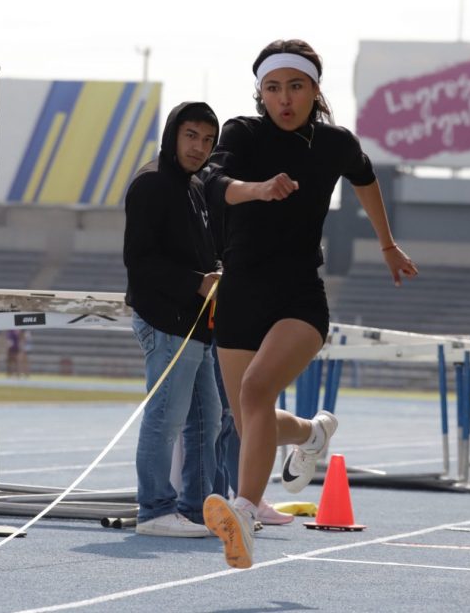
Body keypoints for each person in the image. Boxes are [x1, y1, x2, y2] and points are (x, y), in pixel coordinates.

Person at [201, 39, 418, 568]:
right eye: (273, 88)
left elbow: (365, 179)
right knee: (249, 418)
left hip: (298, 295)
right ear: (260, 92)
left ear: (315, 90)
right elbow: (211, 182)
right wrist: (257, 190)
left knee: (255, 391)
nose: (284, 98)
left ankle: (244, 513)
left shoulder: (335, 142)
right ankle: (313, 432)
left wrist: (387, 244)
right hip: (240, 291)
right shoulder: (242, 132)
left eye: (296, 87)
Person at [124, 101, 223, 538]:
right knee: (165, 418)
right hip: (165, 323)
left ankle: (196, 509)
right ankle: (154, 510)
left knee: (208, 419)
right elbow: (139, 261)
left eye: (207, 140)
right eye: (191, 135)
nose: (199, 147)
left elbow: (201, 251)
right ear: (173, 135)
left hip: (195, 326)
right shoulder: (151, 183)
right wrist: (196, 283)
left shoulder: (195, 186)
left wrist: (216, 272)